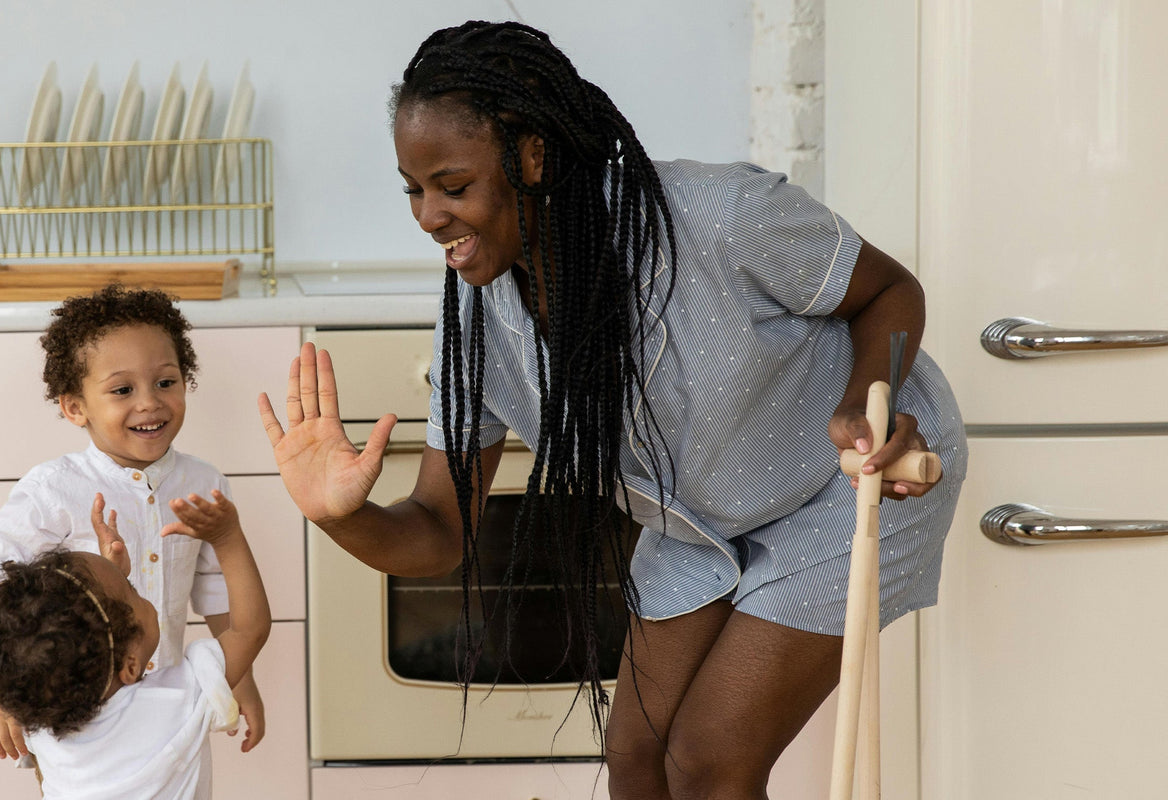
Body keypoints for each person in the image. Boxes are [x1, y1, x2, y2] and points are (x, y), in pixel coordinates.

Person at [257, 20, 966, 800]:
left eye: (453, 187)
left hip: (837, 488)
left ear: (532, 158)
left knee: (708, 761)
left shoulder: (717, 215)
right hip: (700, 516)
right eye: (415, 190)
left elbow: (890, 292)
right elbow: (437, 528)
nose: (428, 216)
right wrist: (337, 515)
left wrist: (869, 404)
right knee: (636, 761)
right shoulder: (477, 315)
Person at [0, 286, 265, 764]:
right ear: (75, 407)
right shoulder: (52, 490)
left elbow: (217, 592)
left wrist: (241, 680)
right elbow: (6, 595)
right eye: (122, 390)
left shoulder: (203, 483)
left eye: (166, 382)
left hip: (169, 703)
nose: (150, 403)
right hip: (72, 710)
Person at [0, 485, 270, 799]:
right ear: (130, 665)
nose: (135, 587)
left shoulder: (43, 723)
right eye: (132, 591)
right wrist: (227, 538)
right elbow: (250, 630)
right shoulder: (177, 700)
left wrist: (111, 577)